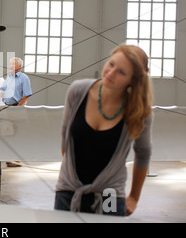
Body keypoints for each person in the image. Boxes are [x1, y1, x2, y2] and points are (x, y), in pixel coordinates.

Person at [54, 44, 154, 217]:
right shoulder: (77, 91)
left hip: (110, 194)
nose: (110, 73)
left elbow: (143, 154)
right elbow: (65, 141)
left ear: (133, 80)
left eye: (121, 72)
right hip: (69, 191)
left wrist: (134, 198)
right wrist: (71, 176)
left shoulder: (139, 111)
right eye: (111, 64)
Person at [0, 57, 32, 167]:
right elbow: (3, 89)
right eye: (10, 64)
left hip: (18, 108)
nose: (10, 66)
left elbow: (26, 95)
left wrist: (18, 108)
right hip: (7, 108)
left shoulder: (24, 78)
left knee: (17, 134)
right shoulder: (9, 77)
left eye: (13, 64)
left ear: (19, 67)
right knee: (9, 133)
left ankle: (17, 160)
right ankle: (9, 158)